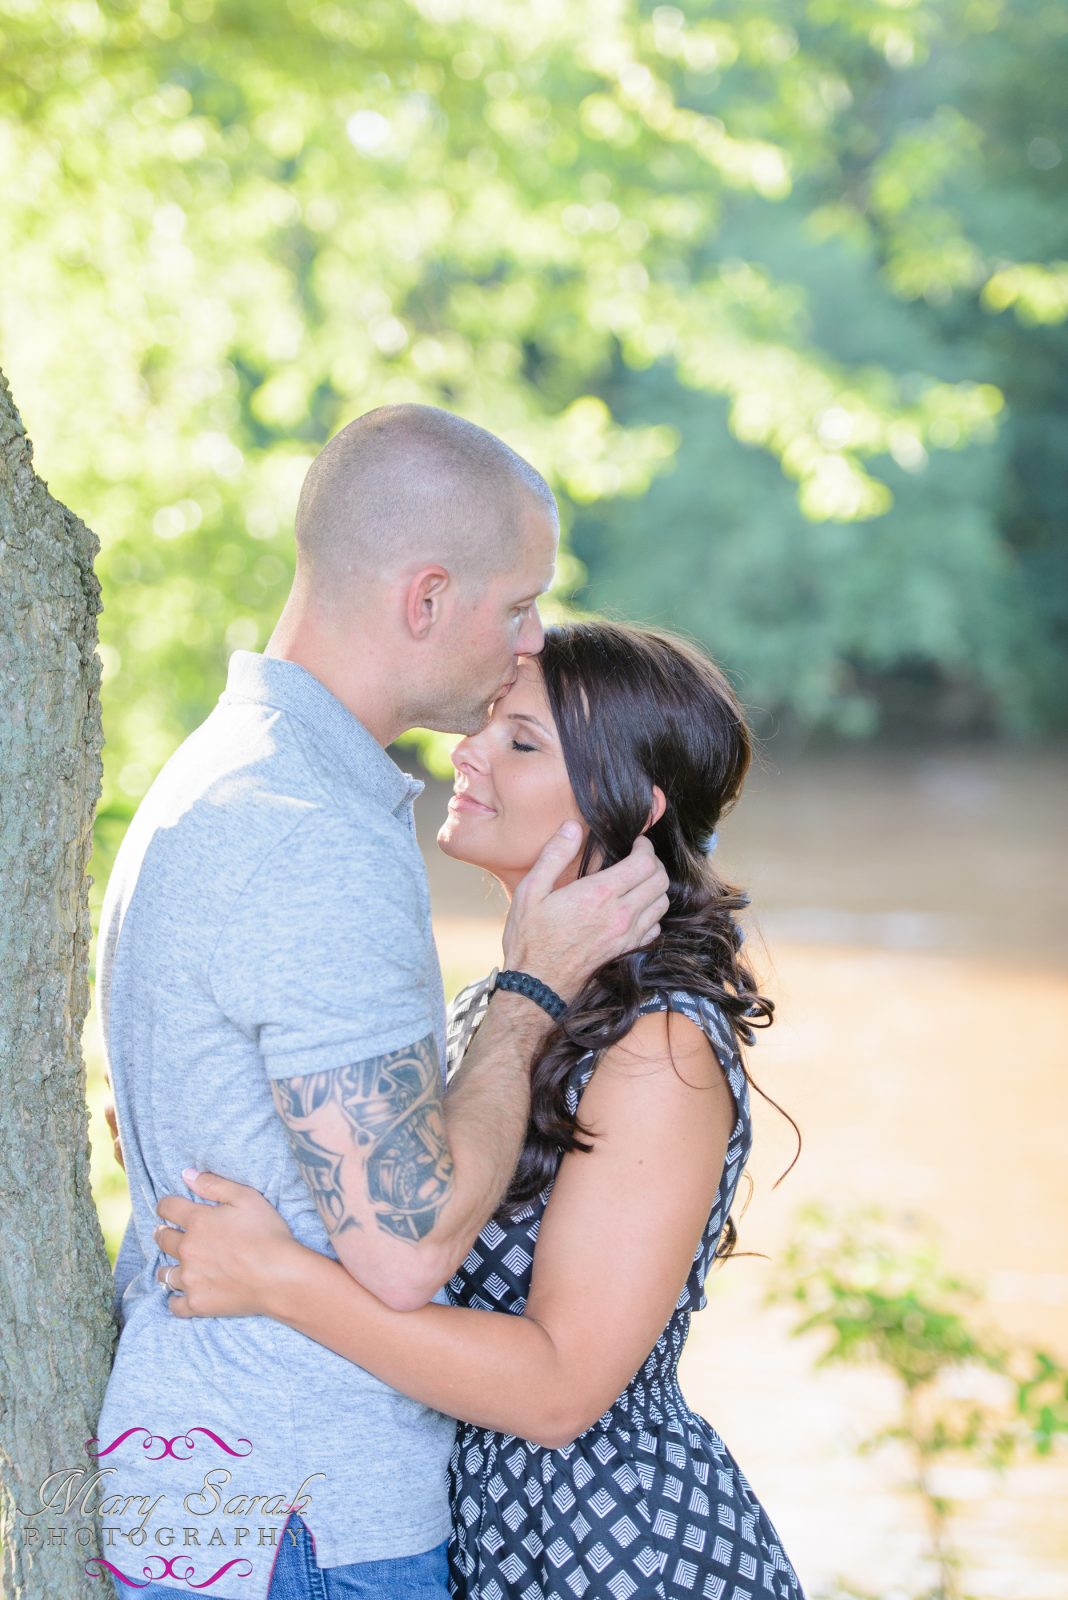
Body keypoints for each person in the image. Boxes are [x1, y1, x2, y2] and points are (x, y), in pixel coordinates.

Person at [94, 408, 670, 1600]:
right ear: (424, 599)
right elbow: (406, 1249)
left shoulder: (229, 773)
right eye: (517, 605)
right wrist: (528, 989)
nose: (529, 641)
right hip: (301, 1517)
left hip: (224, 1495)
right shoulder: (303, 835)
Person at [149, 621, 808, 1600]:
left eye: (521, 741)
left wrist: (277, 1279)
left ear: (628, 804)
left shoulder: (657, 1048)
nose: (467, 750)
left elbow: (555, 1391)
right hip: (498, 1537)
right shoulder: (510, 1005)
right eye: (487, 726)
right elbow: (396, 1204)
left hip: (619, 1553)